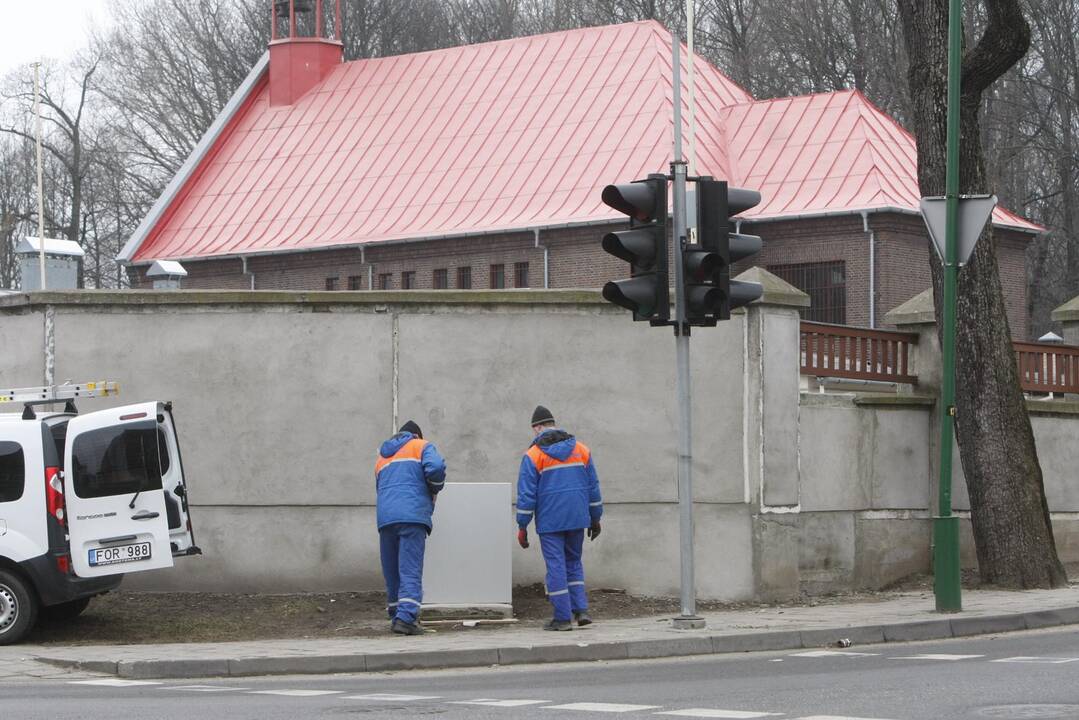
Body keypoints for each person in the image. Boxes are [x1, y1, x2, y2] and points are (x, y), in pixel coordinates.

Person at [515, 405, 603, 631]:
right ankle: (581, 610)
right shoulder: (582, 450)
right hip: (577, 517)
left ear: (537, 428)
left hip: (550, 520)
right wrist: (595, 517)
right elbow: (593, 487)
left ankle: (562, 618)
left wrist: (522, 525)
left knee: (556, 565)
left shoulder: (533, 455)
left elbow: (526, 495)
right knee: (574, 562)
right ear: (554, 423)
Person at [375, 420, 446, 635]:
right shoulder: (421, 445)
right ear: (416, 435)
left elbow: (379, 487)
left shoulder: (382, 456)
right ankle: (406, 619)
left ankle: (396, 614)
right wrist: (434, 488)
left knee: (392, 570)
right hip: (412, 515)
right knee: (409, 568)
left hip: (386, 517)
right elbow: (436, 468)